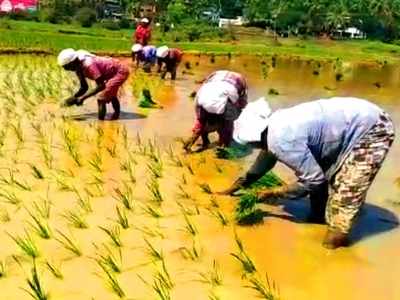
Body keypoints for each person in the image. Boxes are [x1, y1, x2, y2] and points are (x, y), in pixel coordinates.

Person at [218, 97, 395, 249]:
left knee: (344, 197)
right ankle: (317, 218)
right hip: (352, 123)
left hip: (372, 130)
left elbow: (313, 181)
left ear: (254, 140)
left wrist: (274, 192)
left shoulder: (282, 140)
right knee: (321, 175)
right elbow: (261, 166)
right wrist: (232, 189)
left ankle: (333, 247)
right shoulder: (272, 130)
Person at [183, 70, 248, 152]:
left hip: (202, 97)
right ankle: (224, 145)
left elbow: (205, 83)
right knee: (227, 124)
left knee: (201, 121)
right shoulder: (241, 80)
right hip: (223, 100)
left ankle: (194, 142)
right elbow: (243, 103)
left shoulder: (216, 74)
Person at [57, 48, 130, 121]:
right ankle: (116, 116)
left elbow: (101, 86)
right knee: (111, 94)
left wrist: (82, 98)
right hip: (111, 71)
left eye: (66, 67)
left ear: (72, 62)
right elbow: (84, 87)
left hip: (120, 71)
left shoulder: (89, 65)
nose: (66, 69)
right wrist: (73, 98)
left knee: (101, 98)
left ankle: (101, 123)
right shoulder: (78, 67)